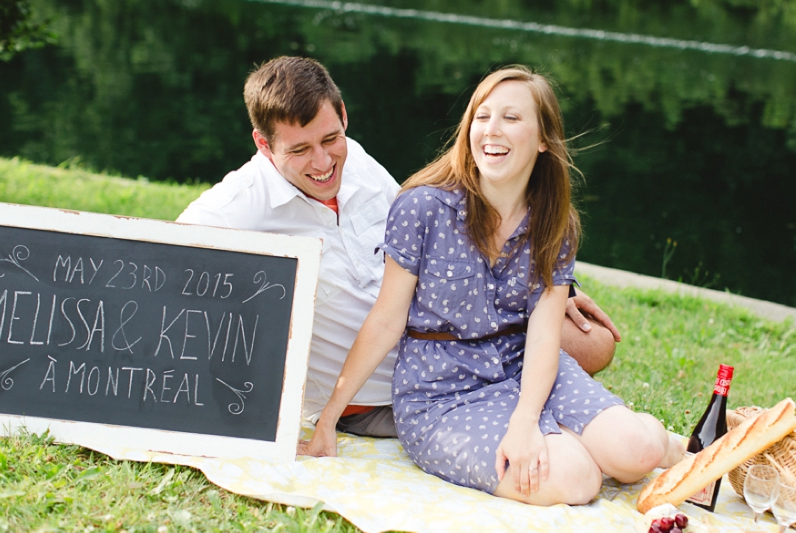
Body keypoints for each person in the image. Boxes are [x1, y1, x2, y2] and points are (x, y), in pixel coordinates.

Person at [177, 56, 619, 441]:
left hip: (443, 335)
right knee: (552, 440)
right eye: (300, 150)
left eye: (331, 139)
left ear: (343, 116)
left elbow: (437, 230)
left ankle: (536, 399)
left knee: (593, 341)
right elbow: (157, 262)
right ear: (263, 144)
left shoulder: (359, 161)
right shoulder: (237, 206)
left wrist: (549, 282)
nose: (324, 161)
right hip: (375, 393)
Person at [302, 65, 683, 505]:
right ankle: (578, 446)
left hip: (524, 368)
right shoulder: (422, 207)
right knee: (576, 479)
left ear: (543, 139)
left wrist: (525, 421)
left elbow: (544, 336)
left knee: (639, 452)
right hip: (442, 395)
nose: (491, 130)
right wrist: (328, 418)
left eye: (511, 118)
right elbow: (385, 321)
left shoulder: (555, 223)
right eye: (482, 117)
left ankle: (670, 443)